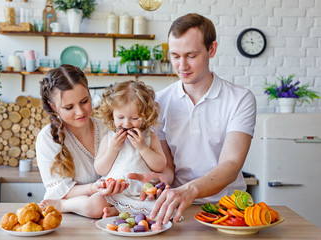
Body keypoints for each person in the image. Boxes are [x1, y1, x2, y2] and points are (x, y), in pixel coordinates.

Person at [148, 13, 257, 224]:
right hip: (178, 205)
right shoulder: (159, 102)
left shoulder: (240, 99)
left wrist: (190, 190)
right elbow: (168, 166)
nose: (182, 66)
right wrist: (159, 179)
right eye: (175, 56)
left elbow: (232, 163)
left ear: (212, 49)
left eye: (191, 55)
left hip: (228, 208)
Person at [36, 64, 128, 218]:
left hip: (110, 203)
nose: (80, 112)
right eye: (69, 107)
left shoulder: (107, 128)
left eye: (84, 101)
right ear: (53, 107)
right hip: (74, 212)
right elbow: (59, 190)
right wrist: (93, 188)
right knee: (95, 204)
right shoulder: (48, 138)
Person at [94, 80, 167, 216]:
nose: (127, 123)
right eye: (120, 117)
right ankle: (120, 209)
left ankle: (122, 211)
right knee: (93, 206)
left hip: (142, 193)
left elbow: (160, 166)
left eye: (134, 118)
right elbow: (100, 169)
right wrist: (113, 149)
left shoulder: (150, 137)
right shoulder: (109, 138)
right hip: (115, 192)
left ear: (145, 115)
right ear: (111, 114)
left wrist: (143, 148)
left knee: (162, 208)